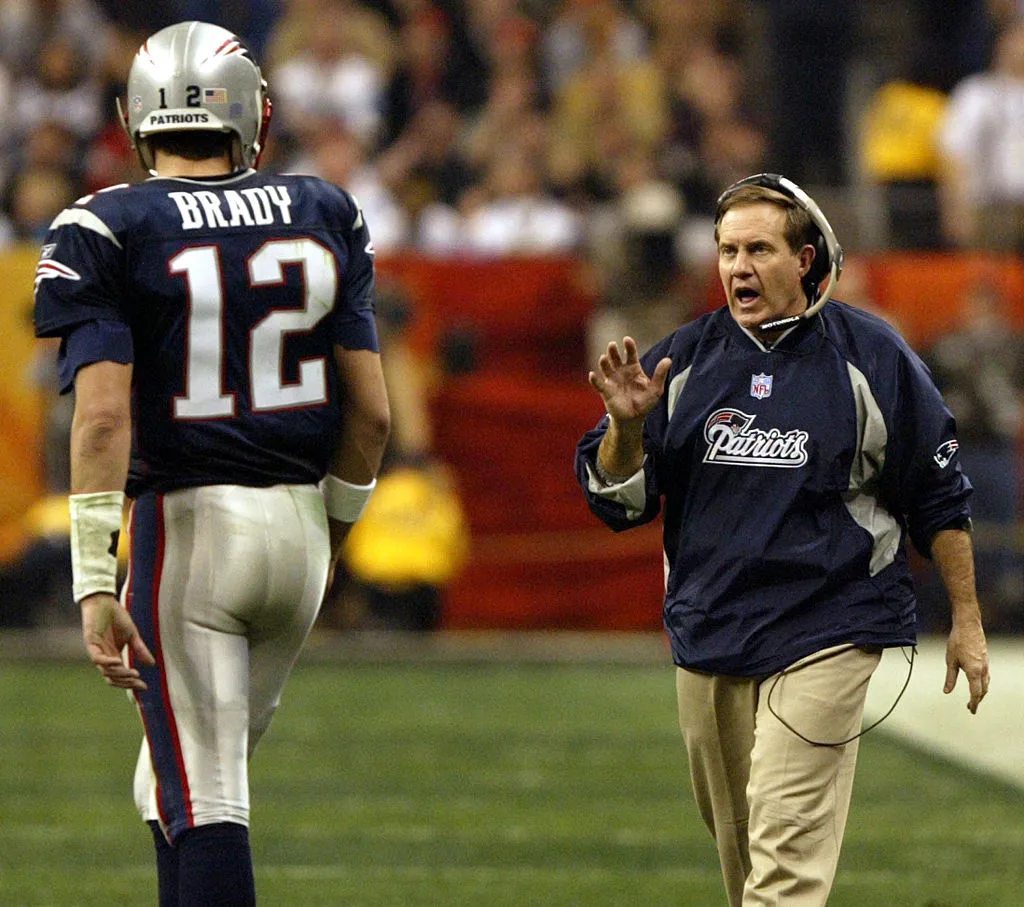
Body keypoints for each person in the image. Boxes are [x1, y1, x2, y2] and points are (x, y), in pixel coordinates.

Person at [32, 21, 390, 907]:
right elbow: (373, 414)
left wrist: (89, 575)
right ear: (253, 114)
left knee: (207, 796)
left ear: (134, 117)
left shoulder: (107, 223)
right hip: (300, 530)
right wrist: (332, 535)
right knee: (171, 780)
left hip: (188, 534)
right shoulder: (325, 208)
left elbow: (104, 416)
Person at [575, 172, 990, 906]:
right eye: (728, 249)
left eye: (759, 248)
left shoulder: (872, 356)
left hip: (830, 624)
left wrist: (967, 619)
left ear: (804, 259)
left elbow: (936, 491)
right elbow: (620, 503)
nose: (738, 265)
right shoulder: (685, 360)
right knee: (744, 860)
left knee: (784, 856)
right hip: (711, 627)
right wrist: (627, 428)